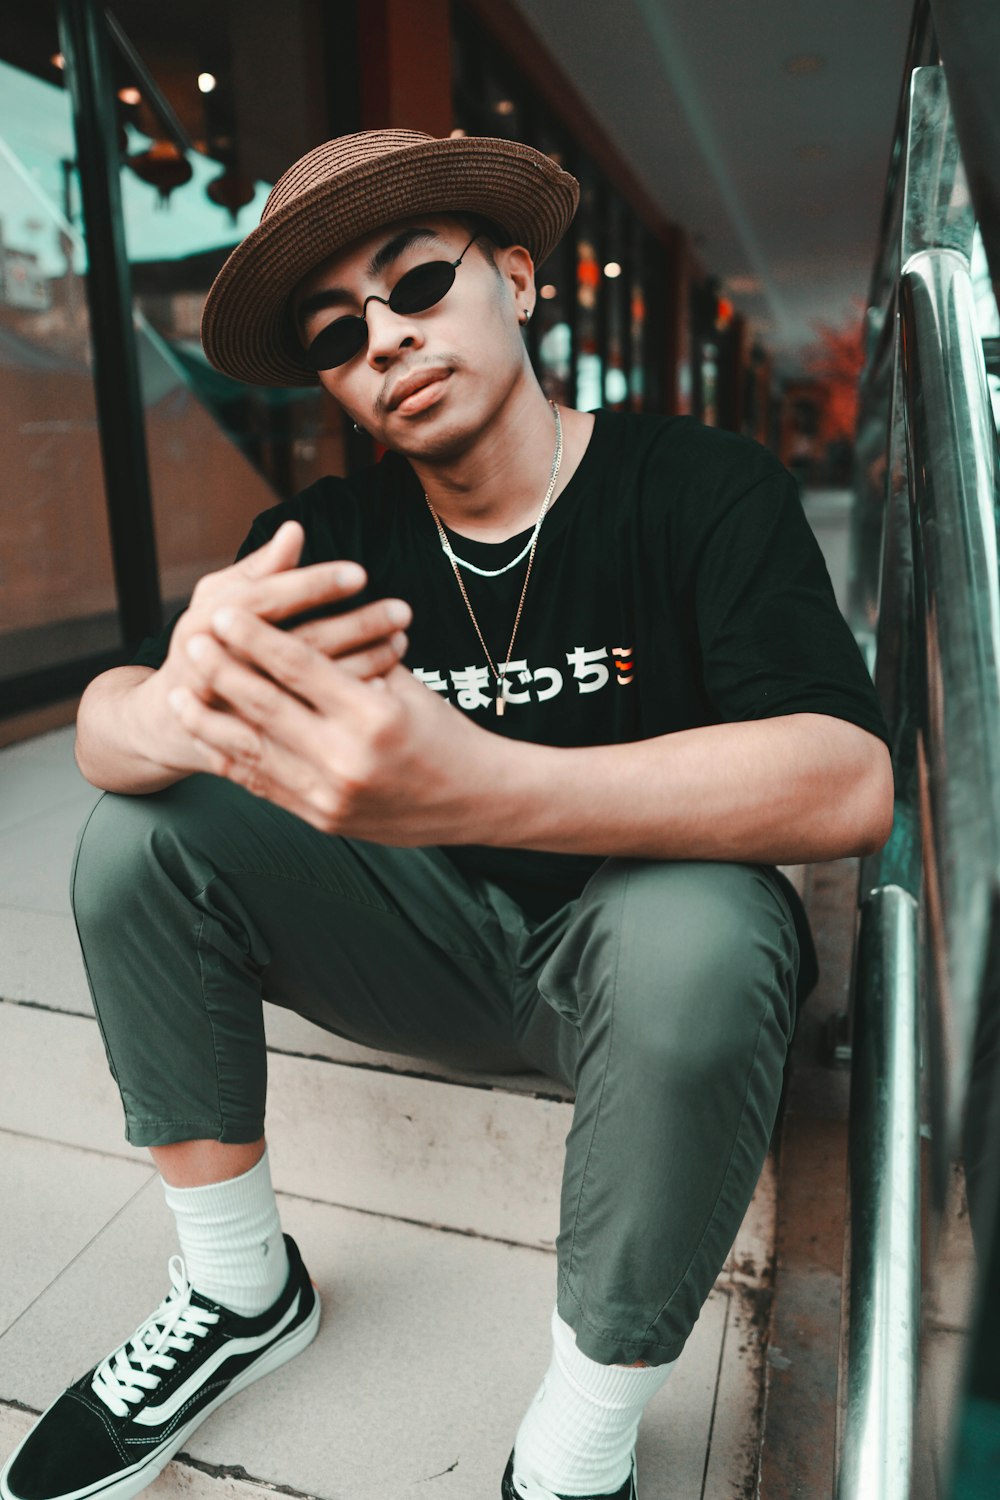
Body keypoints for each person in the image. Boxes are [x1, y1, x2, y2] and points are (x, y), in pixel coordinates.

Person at [0, 129, 894, 1500]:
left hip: (647, 977)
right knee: (139, 836)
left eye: (416, 284)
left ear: (520, 281)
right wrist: (177, 696)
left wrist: (475, 779)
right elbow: (115, 730)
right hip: (428, 950)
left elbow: (846, 779)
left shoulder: (698, 487)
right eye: (338, 334)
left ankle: (581, 1445)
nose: (387, 341)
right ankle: (242, 1292)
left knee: (704, 927)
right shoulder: (327, 534)